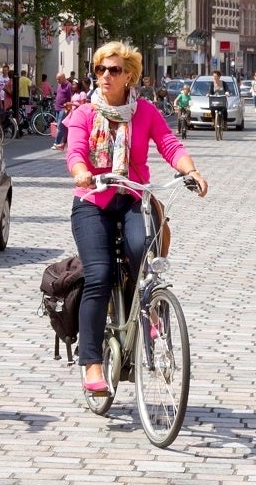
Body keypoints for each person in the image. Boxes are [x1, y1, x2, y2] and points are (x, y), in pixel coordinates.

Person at [65, 42, 207, 395]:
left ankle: (148, 309)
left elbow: (169, 144)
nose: (105, 77)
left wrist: (191, 171)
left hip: (132, 197)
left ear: (129, 75)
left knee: (144, 252)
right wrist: (81, 171)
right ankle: (92, 363)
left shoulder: (144, 112)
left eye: (113, 70)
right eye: (100, 70)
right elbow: (76, 149)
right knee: (98, 274)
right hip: (93, 200)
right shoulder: (84, 113)